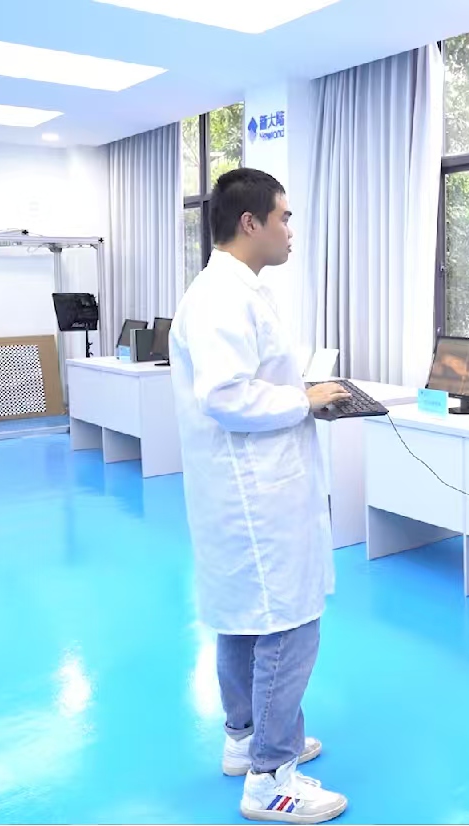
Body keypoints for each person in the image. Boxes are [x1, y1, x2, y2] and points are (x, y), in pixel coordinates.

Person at [169, 168, 351, 824]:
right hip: (254, 493)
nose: (290, 230)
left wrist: (302, 398)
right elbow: (226, 395)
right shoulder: (223, 296)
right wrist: (304, 399)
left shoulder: (234, 289)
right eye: (284, 217)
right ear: (251, 223)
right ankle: (270, 777)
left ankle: (245, 738)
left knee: (245, 617)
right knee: (288, 622)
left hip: (245, 486)